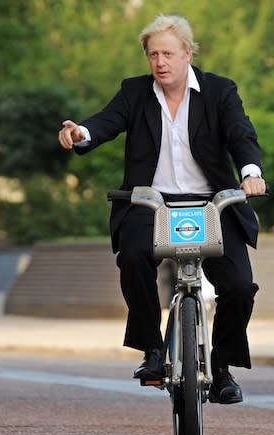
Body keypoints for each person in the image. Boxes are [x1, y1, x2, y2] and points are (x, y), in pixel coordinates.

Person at [59, 14, 266, 404]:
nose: (160, 62)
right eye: (153, 54)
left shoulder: (219, 91)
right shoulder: (135, 92)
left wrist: (251, 173)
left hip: (211, 204)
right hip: (151, 203)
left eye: (168, 53)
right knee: (133, 258)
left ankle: (221, 368)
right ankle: (153, 351)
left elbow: (242, 134)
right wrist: (81, 133)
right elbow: (106, 122)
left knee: (238, 287)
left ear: (187, 53)